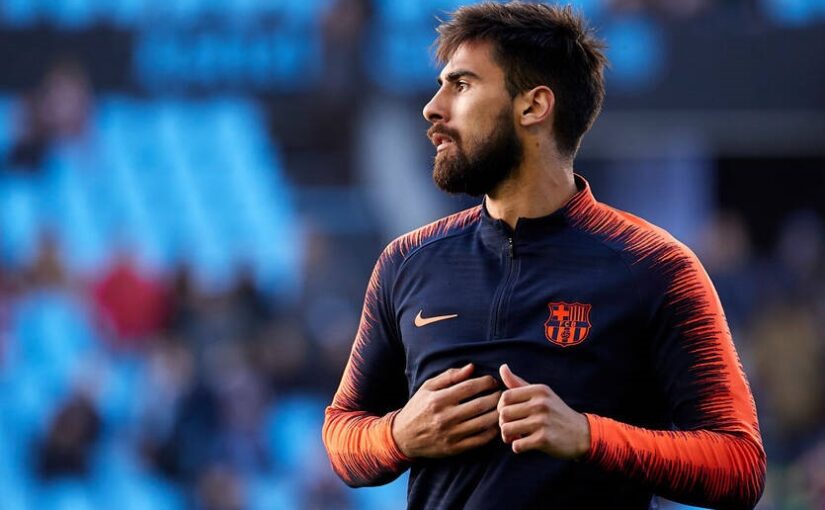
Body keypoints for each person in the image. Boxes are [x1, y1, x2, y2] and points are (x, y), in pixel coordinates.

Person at [322, 3, 766, 509]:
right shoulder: (406, 262)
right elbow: (342, 434)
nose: (433, 108)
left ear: (533, 107)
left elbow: (739, 464)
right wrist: (399, 434)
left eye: (461, 85)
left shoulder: (655, 266)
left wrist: (589, 436)